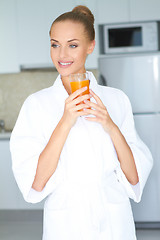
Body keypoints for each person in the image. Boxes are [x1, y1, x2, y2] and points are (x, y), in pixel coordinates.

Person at [10, 5, 153, 240]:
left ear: (90, 46)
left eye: (72, 45)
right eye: (55, 44)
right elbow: (35, 184)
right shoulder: (36, 105)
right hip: (66, 224)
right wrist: (65, 121)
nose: (61, 54)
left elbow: (134, 178)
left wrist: (110, 125)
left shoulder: (116, 100)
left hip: (114, 221)